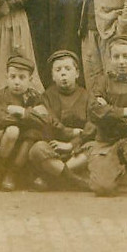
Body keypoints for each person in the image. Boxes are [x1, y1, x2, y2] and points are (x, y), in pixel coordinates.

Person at [86, 35, 127, 197]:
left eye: (126, 56)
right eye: (116, 57)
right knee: (103, 188)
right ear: (110, 60)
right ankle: (114, 169)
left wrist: (108, 112)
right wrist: (124, 112)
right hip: (106, 141)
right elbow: (94, 111)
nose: (121, 61)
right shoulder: (102, 82)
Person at [28, 51, 92, 191]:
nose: (63, 73)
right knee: (37, 149)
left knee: (96, 147)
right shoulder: (46, 97)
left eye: (68, 69)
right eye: (58, 70)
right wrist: (68, 135)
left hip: (79, 147)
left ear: (77, 73)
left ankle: (52, 177)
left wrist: (71, 144)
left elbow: (92, 126)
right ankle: (73, 179)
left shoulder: (87, 96)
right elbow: (49, 122)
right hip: (54, 147)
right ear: (52, 76)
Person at [0, 55, 47, 191]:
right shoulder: (0, 95)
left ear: (30, 80)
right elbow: (0, 119)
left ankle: (12, 173)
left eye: (22, 78)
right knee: (12, 130)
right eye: (13, 77)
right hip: (6, 139)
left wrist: (21, 111)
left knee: (33, 133)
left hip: (26, 142)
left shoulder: (35, 96)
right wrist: (30, 115)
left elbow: (43, 120)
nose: (17, 82)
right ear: (6, 77)